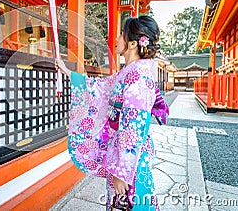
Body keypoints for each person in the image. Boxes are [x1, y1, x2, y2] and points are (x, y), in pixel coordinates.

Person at [55, 16, 169, 210]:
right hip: (122, 155)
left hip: (130, 162)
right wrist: (69, 74)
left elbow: (134, 125)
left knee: (131, 204)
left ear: (133, 43)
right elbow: (101, 87)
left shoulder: (138, 77)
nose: (116, 39)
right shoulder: (129, 72)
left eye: (121, 35)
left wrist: (122, 171)